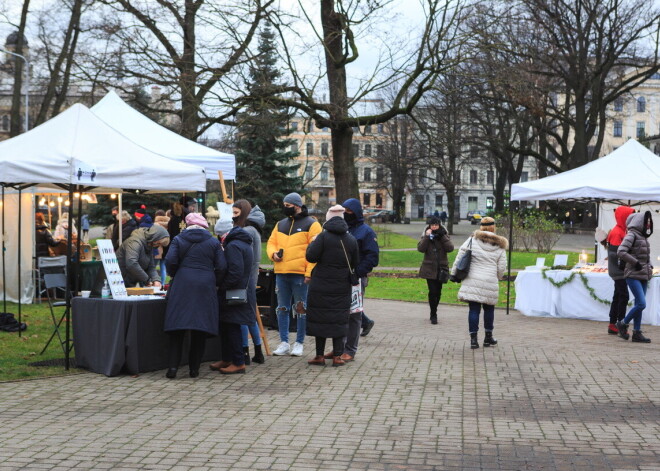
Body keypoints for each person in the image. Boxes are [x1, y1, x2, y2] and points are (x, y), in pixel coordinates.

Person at [163, 213, 226, 379]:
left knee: (178, 327)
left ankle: (173, 369)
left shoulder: (178, 239)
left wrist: (176, 273)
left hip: (182, 284)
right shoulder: (213, 242)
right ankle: (194, 370)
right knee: (200, 328)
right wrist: (214, 282)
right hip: (205, 285)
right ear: (204, 226)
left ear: (187, 225)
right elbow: (221, 266)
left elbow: (170, 260)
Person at [266, 192, 322, 357]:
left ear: (297, 205)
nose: (285, 208)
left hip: (300, 274)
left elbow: (315, 250)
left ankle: (299, 342)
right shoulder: (280, 224)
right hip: (281, 272)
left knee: (301, 309)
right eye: (284, 205)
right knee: (282, 308)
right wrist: (273, 254)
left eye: (288, 205)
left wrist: (309, 272)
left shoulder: (312, 224)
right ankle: (284, 342)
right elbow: (271, 243)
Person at [306, 205, 359, 367]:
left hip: (320, 284)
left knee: (320, 319)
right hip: (342, 285)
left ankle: (320, 356)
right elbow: (355, 262)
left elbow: (311, 257)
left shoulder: (322, 237)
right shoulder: (351, 239)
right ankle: (337, 356)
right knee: (339, 319)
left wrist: (312, 243)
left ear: (328, 219)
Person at [330, 198, 379, 363]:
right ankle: (338, 347)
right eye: (344, 211)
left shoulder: (366, 232)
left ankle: (350, 350)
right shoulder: (341, 230)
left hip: (356, 279)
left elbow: (372, 257)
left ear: (356, 212)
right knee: (339, 314)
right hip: (338, 277)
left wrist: (357, 273)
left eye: (349, 211)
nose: (346, 214)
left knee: (354, 315)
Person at [450, 216, 508, 349]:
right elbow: (501, 267)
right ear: (494, 227)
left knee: (474, 310)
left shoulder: (472, 240)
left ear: (481, 226)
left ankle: (473, 340)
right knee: (489, 309)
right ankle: (488, 338)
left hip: (473, 279)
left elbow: (460, 257)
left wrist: (454, 273)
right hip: (489, 280)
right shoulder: (500, 245)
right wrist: (498, 276)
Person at [210, 223, 255, 374]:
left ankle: (238, 361)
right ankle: (227, 358)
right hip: (238, 290)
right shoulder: (241, 243)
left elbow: (235, 271)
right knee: (227, 325)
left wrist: (222, 286)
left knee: (232, 326)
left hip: (233, 291)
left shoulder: (233, 245)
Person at [232, 200, 266, 365]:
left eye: (236, 213)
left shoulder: (247, 231)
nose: (233, 216)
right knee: (250, 316)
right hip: (250, 279)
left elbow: (244, 258)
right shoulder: (253, 229)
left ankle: (245, 352)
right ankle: (257, 352)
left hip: (245, 280)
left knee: (242, 317)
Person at [616, 211, 653, 343]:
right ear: (639, 221)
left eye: (649, 221)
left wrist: (650, 266)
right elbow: (621, 251)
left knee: (639, 303)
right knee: (642, 303)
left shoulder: (643, 236)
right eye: (646, 220)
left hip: (642, 274)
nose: (648, 223)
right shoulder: (632, 234)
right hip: (632, 274)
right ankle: (623, 323)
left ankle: (637, 333)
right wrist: (635, 263)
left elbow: (644, 256)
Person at [417, 216, 454, 325]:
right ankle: (433, 314)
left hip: (441, 268)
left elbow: (450, 248)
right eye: (432, 225)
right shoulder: (426, 235)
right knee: (432, 291)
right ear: (429, 226)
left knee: (438, 292)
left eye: (436, 225)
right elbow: (421, 249)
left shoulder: (444, 234)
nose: (434, 227)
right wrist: (427, 237)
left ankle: (434, 309)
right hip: (429, 268)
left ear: (439, 225)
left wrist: (442, 236)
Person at [605, 206, 635, 335]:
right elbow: (618, 254)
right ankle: (620, 323)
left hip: (619, 270)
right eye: (629, 216)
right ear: (623, 217)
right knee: (623, 296)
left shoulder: (622, 230)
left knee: (618, 296)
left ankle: (613, 324)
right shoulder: (618, 232)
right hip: (618, 271)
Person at [154, 209, 170, 283]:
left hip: (157, 248)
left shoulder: (156, 224)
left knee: (153, 267)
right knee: (163, 268)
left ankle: (154, 282)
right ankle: (163, 283)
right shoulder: (169, 224)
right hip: (166, 247)